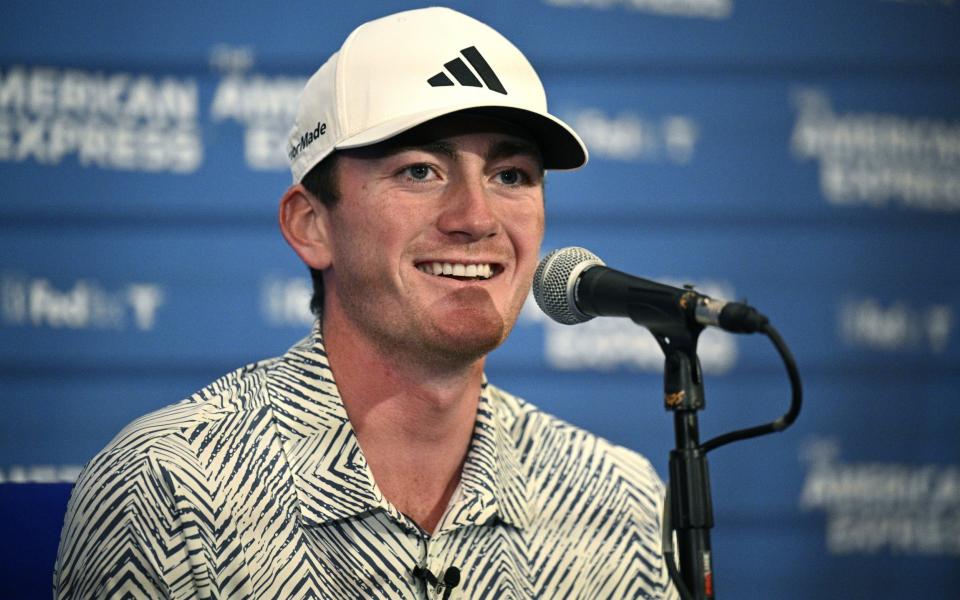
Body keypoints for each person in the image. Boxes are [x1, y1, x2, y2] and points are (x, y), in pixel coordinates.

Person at [54, 7, 678, 599]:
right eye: (418, 171)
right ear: (311, 225)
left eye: (510, 175)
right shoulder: (171, 491)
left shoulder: (617, 499)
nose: (476, 217)